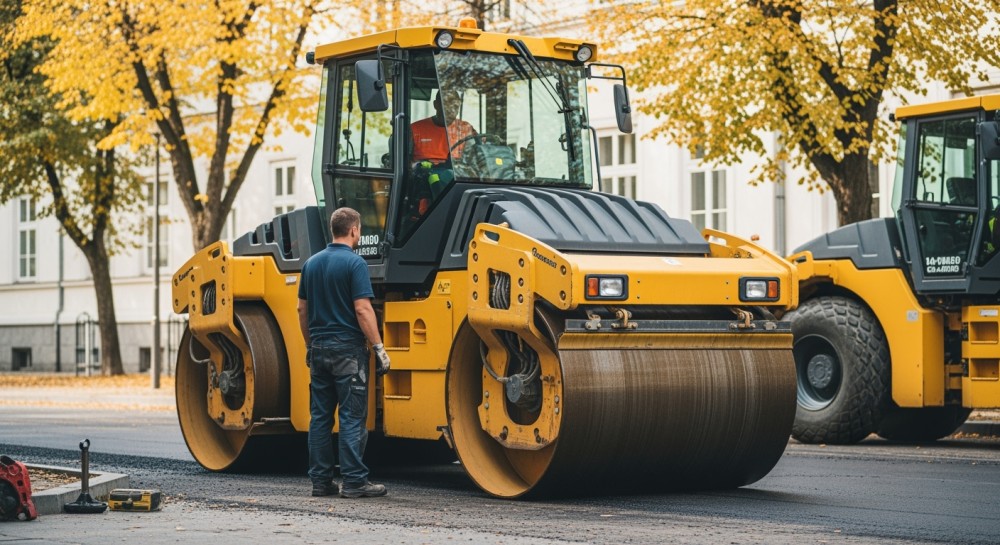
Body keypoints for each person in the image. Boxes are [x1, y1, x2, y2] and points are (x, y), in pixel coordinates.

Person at [297, 207, 392, 499]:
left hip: (320, 349)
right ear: (354, 231)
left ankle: (321, 483)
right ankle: (354, 482)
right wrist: (378, 347)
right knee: (351, 417)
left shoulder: (311, 264)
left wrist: (310, 345)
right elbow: (362, 309)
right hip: (348, 351)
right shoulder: (355, 263)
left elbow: (302, 309)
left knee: (320, 418)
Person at [411, 89, 476, 164]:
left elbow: (476, 157)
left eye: (455, 106)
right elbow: (404, 162)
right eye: (446, 105)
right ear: (435, 105)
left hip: (455, 174)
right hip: (422, 174)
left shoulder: (466, 129)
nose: (451, 110)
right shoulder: (414, 129)